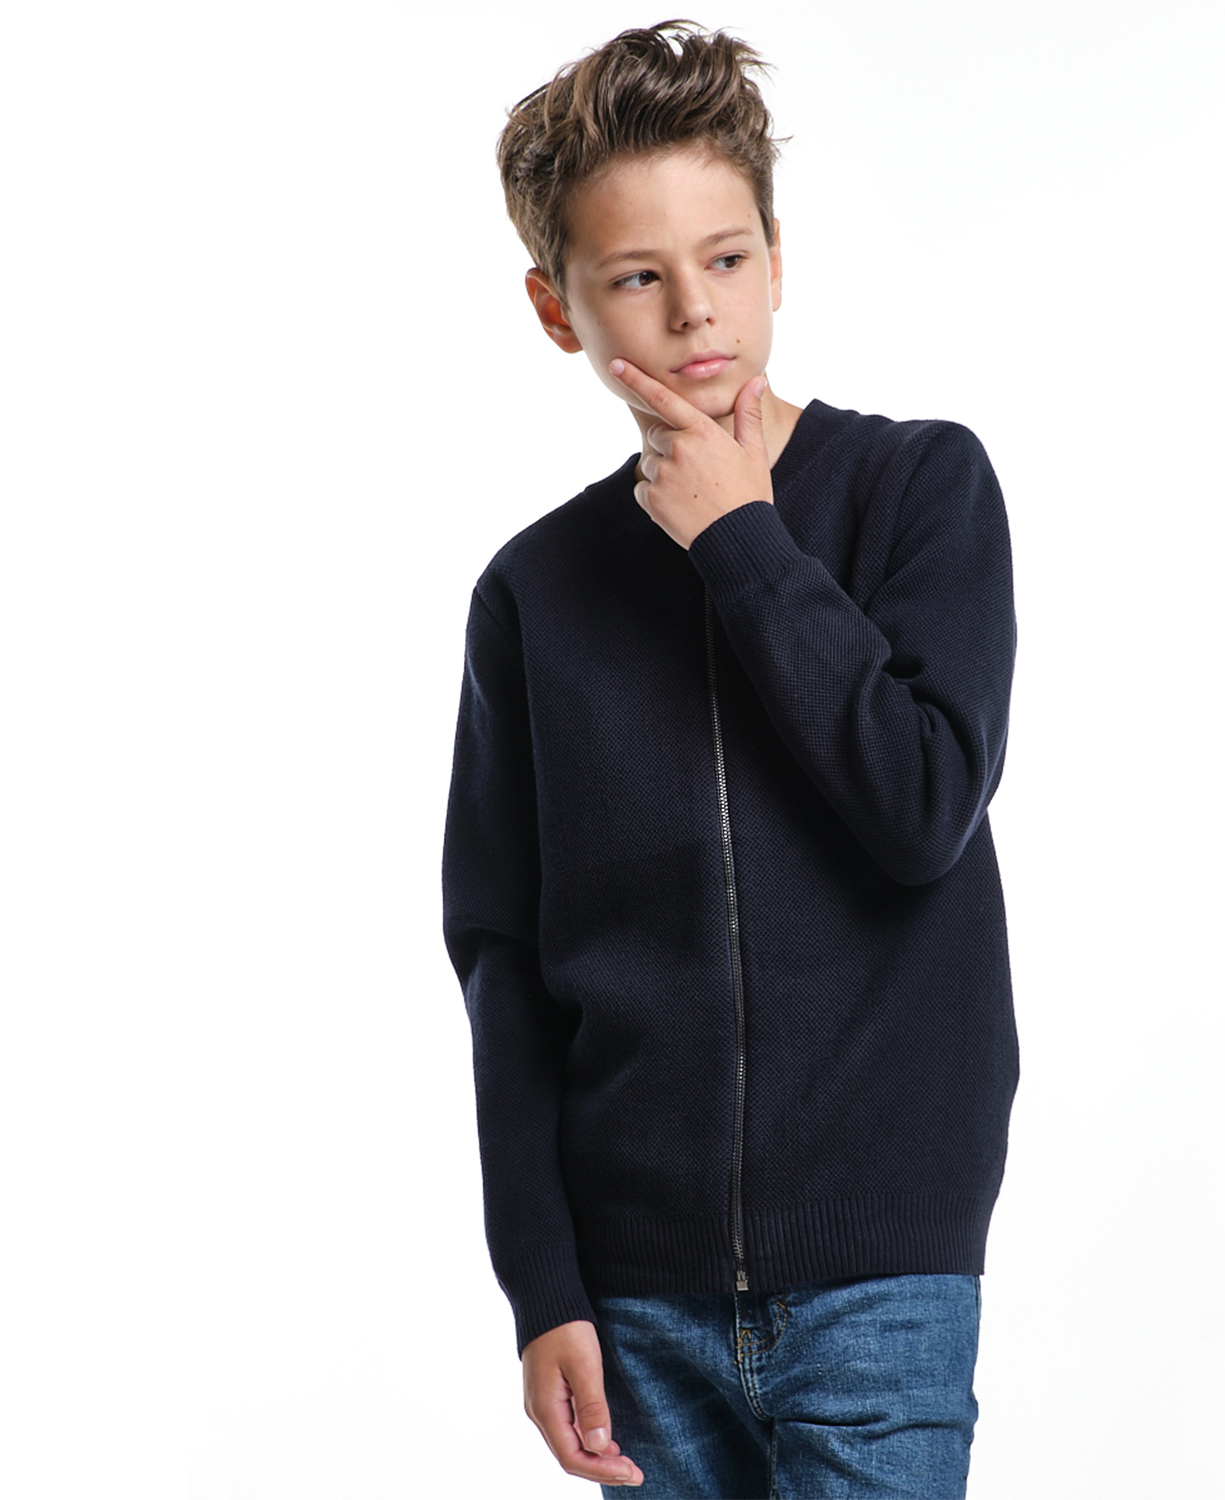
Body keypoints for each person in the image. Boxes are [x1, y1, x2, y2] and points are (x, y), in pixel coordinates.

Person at [441, 20, 1018, 1497]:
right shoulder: (534, 592)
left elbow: (921, 805)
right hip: (636, 1305)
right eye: (637, 277)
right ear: (557, 309)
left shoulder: (919, 489)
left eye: (727, 258)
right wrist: (544, 1285)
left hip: (880, 1281)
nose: (697, 310)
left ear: (776, 258)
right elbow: (504, 960)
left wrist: (742, 539)